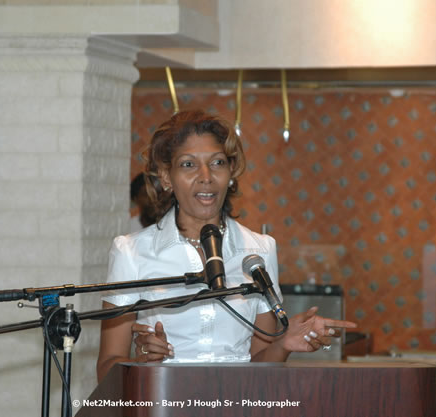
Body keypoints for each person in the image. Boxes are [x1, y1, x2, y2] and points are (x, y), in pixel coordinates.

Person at [96, 110, 356, 382]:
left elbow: (261, 366)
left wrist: (284, 344)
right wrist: (140, 363)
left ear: (230, 172)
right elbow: (106, 367)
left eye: (217, 162)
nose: (206, 176)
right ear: (165, 177)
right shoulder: (131, 251)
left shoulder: (259, 250)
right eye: (188, 165)